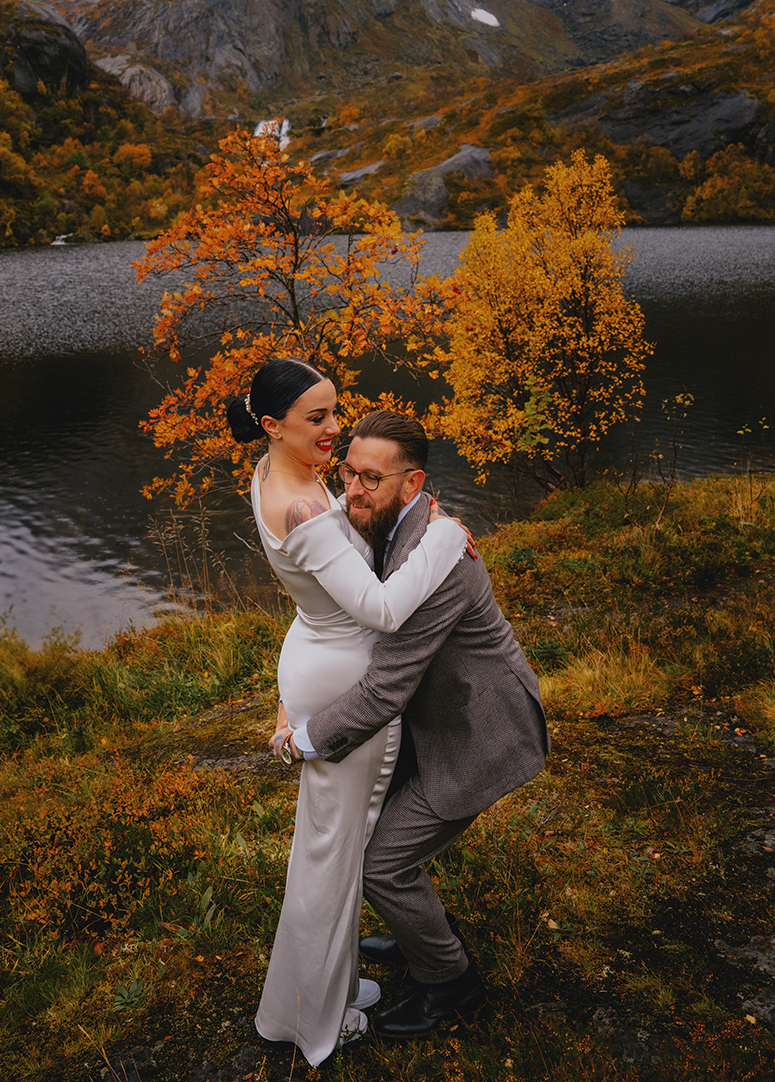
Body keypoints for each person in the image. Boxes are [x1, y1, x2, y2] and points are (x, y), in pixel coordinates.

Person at [226, 359, 470, 1066]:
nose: (336, 429)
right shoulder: (303, 505)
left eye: (336, 411)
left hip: (313, 655)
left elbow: (325, 586)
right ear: (271, 425)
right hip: (340, 681)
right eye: (318, 418)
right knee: (333, 859)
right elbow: (386, 611)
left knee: (325, 851)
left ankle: (311, 996)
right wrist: (448, 538)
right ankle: (314, 1021)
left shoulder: (275, 475)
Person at [285, 409, 550, 1039]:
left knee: (382, 865)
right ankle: (420, 928)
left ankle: (452, 985)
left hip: (479, 731)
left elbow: (386, 688)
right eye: (348, 471)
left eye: (372, 479)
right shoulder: (395, 520)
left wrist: (305, 740)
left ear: (413, 485)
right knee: (378, 833)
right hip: (428, 722)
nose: (352, 488)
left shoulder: (439, 562)